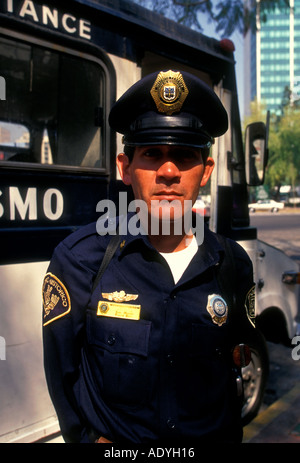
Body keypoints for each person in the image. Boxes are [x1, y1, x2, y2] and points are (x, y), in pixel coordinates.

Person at [42, 70, 256, 444]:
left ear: (205, 171)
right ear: (125, 168)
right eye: (152, 153)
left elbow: (234, 369)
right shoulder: (81, 260)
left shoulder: (233, 264)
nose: (169, 171)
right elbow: (63, 374)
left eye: (184, 155)